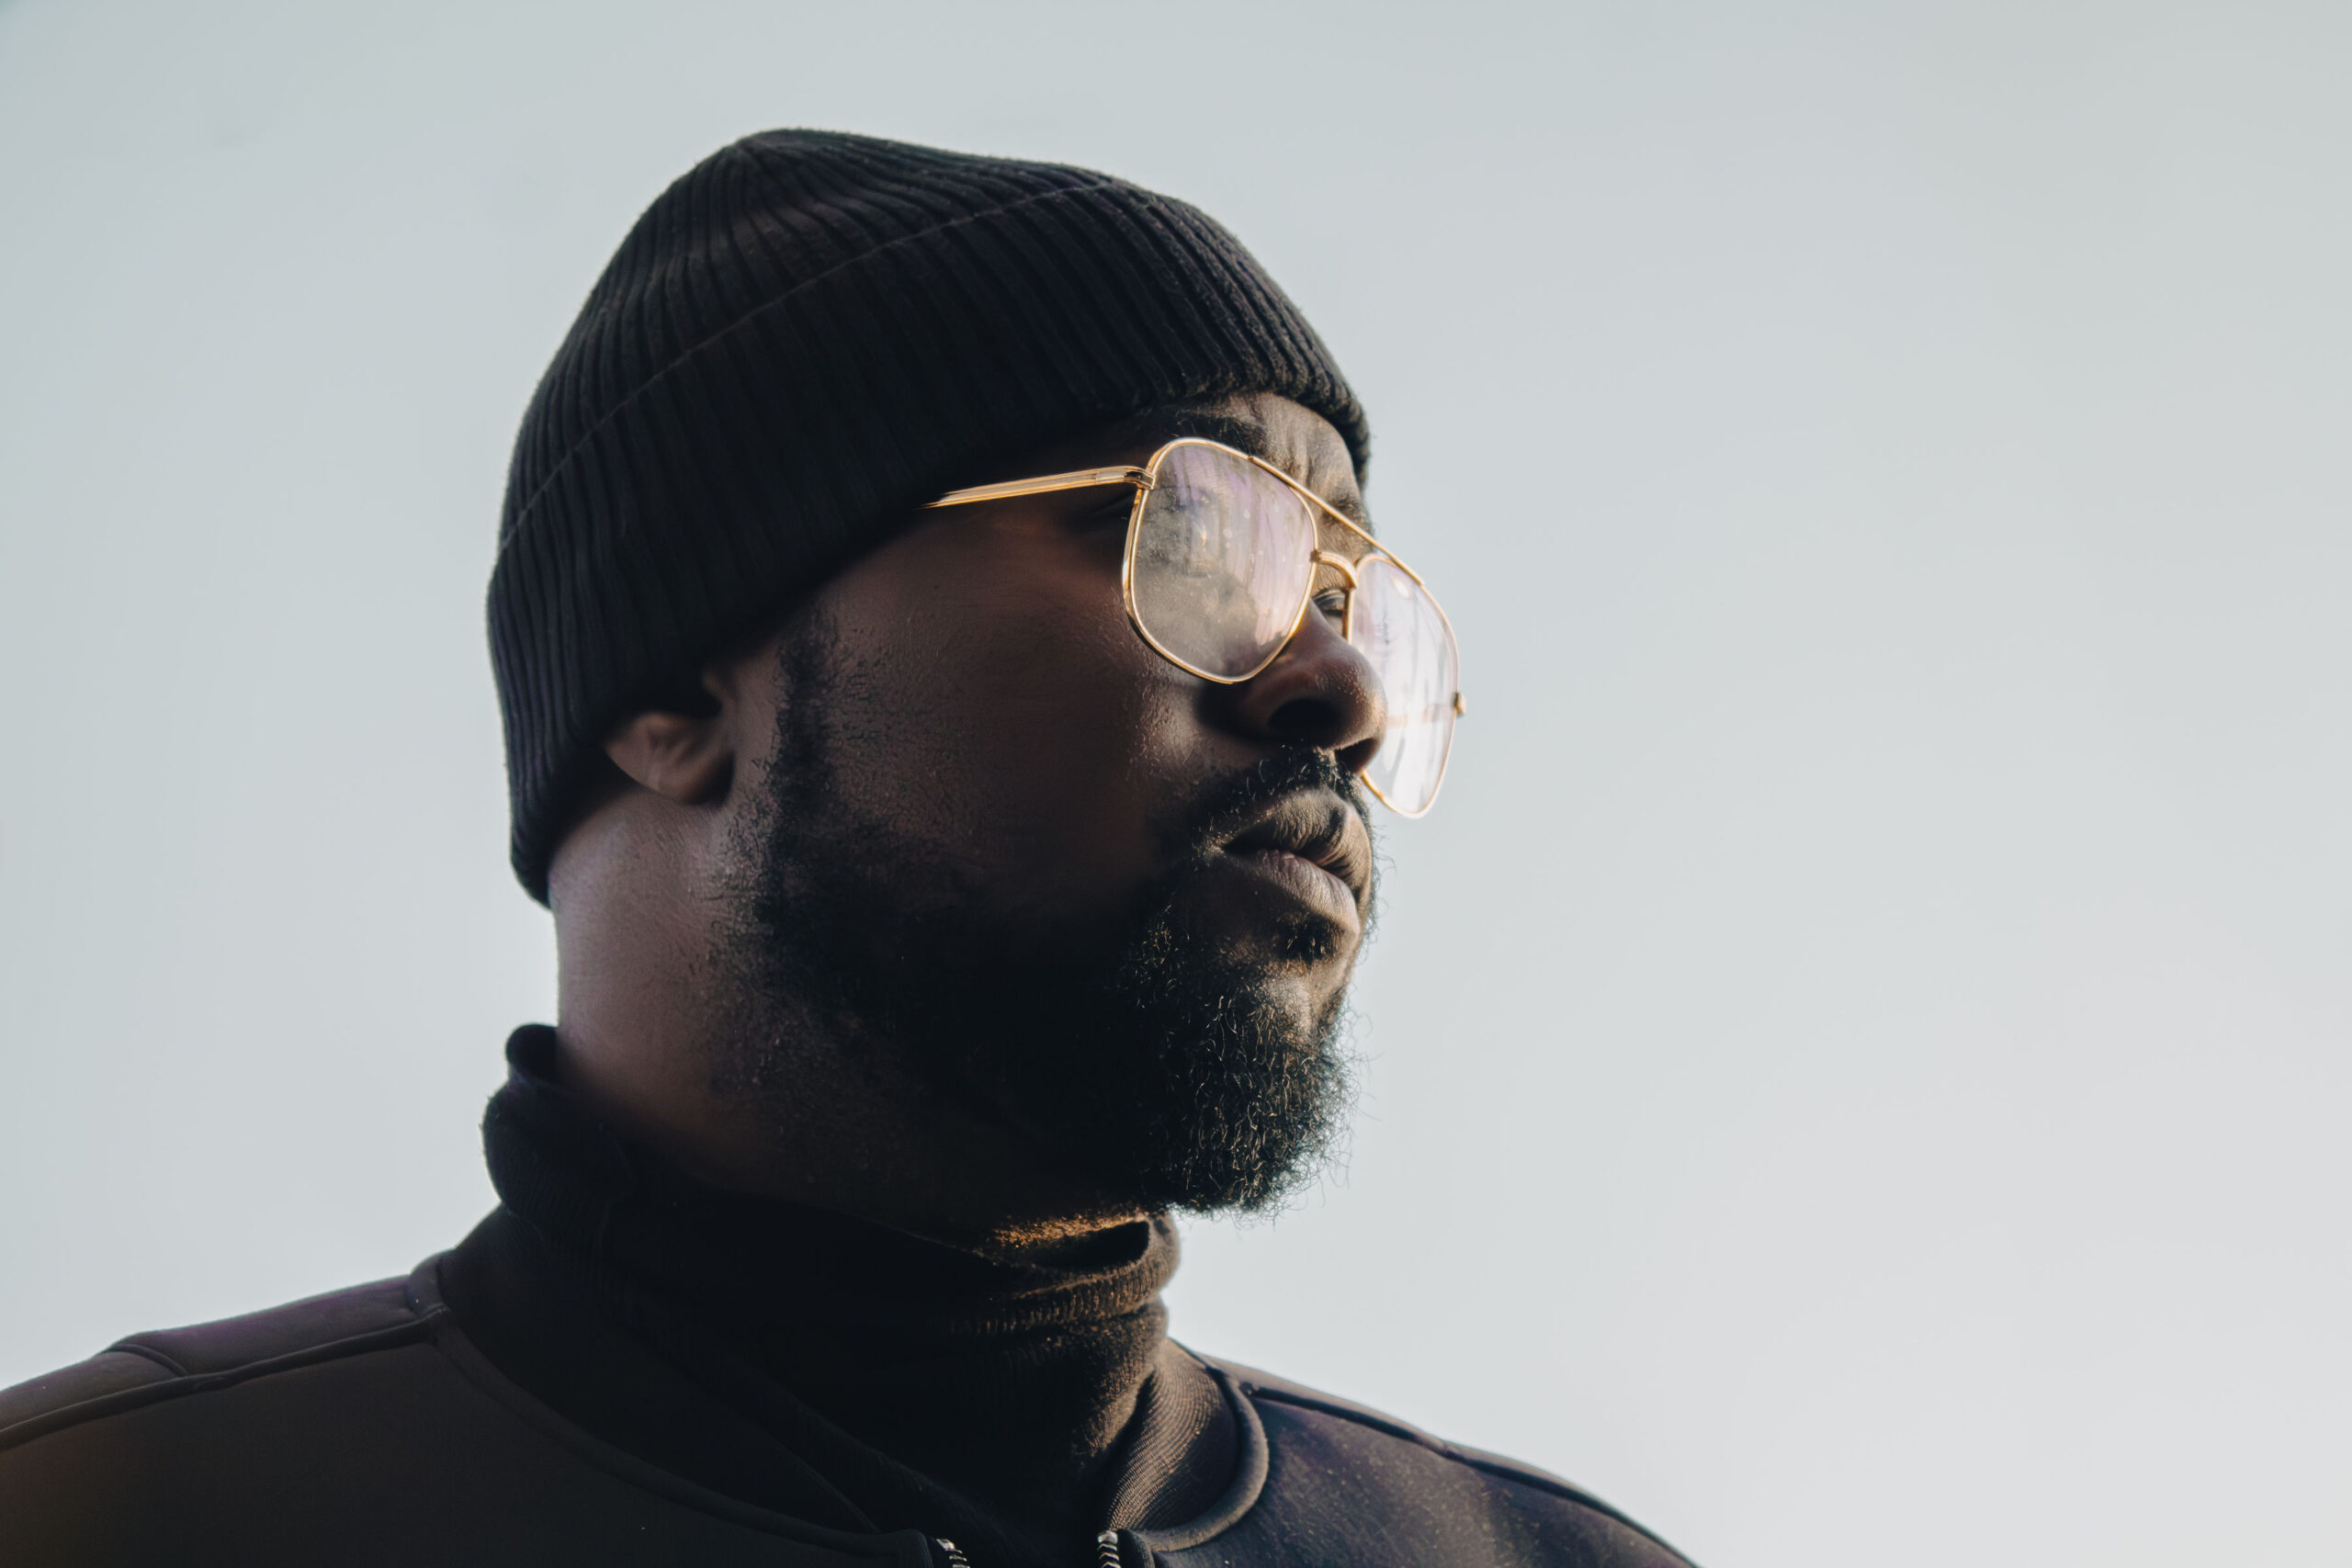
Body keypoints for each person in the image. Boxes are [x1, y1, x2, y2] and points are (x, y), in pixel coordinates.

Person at [0, 130, 1690, 1568]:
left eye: (1354, 605)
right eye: (1194, 529)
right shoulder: (115, 1518)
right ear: (675, 689)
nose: (1334, 691)